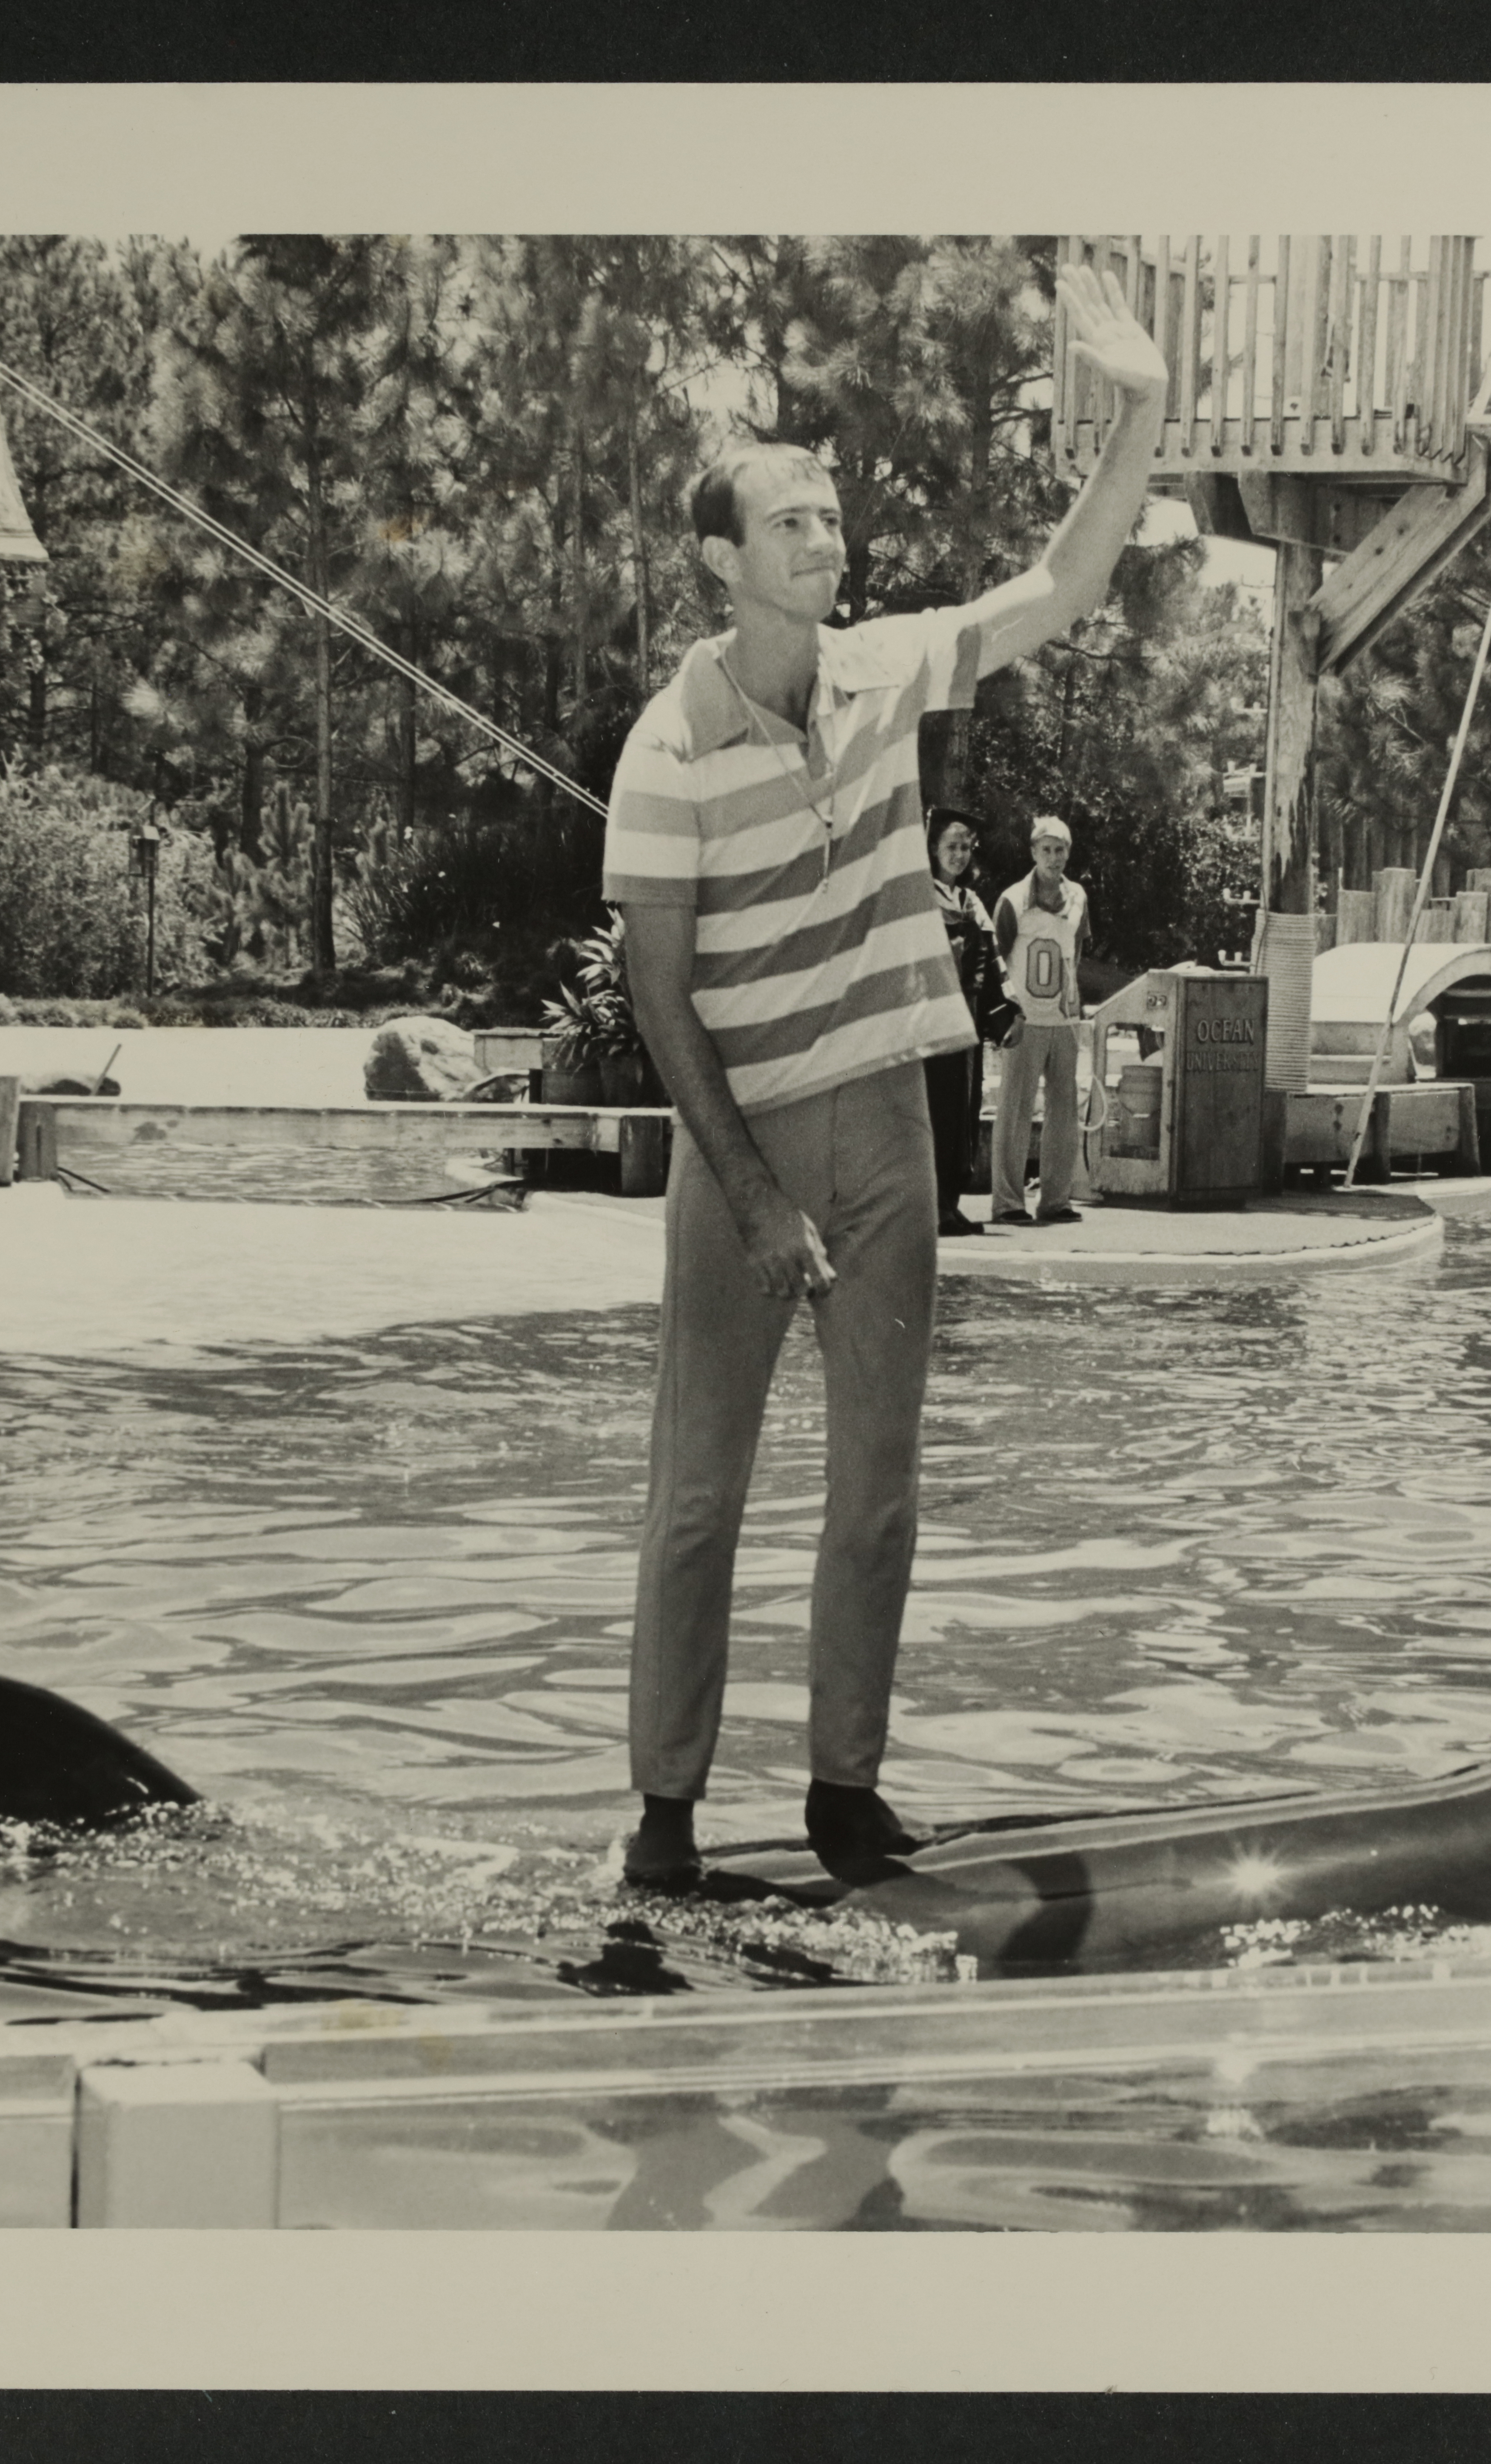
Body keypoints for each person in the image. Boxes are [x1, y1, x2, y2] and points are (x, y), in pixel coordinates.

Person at [602, 263, 1168, 1888]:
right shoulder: (669, 750)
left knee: (880, 1488)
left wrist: (1140, 409)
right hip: (741, 1150)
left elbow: (1062, 582)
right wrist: (761, 1196)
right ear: (723, 560)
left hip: (890, 1135)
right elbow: (659, 999)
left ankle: (843, 1790)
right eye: (794, 524)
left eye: (833, 521)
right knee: (697, 1496)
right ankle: (666, 1811)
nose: (828, 542)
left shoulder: (884, 672)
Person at [922, 807, 1021, 1238]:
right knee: (933, 1114)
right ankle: (930, 1204)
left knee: (962, 1113)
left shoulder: (970, 902)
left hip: (964, 1026)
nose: (959, 855)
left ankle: (950, 1200)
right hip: (927, 1029)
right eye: (951, 846)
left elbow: (995, 963)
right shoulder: (917, 897)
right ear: (932, 849)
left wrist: (1006, 1013)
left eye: (965, 847)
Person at [989, 815, 1091, 1225]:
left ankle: (1056, 1199)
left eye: (1060, 849)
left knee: (1064, 1114)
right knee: (1014, 1113)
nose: (1054, 858)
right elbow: (996, 960)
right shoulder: (1012, 899)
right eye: (1046, 850)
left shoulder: (1079, 896)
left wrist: (1073, 1006)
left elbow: (1077, 953)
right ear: (1033, 853)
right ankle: (1008, 1203)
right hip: (1024, 1020)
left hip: (1063, 1021)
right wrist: (1004, 1018)